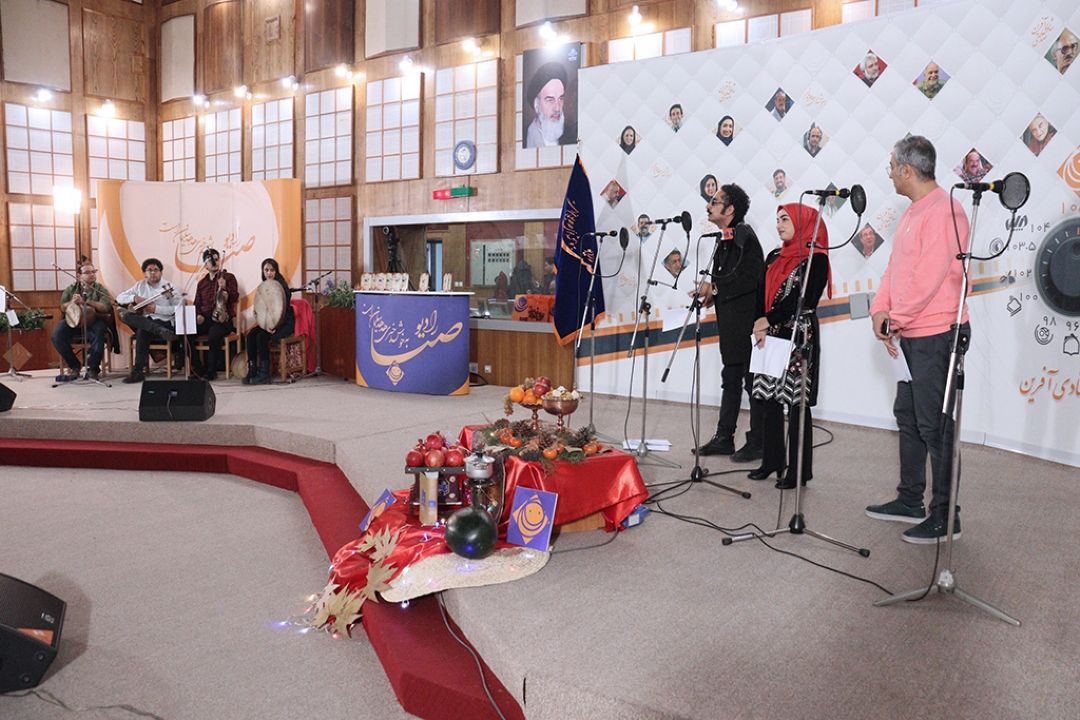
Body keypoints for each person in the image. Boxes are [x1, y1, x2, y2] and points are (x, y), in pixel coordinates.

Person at [865, 135, 971, 544]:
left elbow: (929, 277)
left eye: (891, 167)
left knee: (936, 425)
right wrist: (880, 310)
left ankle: (946, 515)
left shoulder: (946, 210)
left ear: (907, 169)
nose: (890, 174)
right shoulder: (912, 212)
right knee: (908, 418)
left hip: (937, 335)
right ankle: (910, 499)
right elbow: (895, 268)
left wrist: (897, 319)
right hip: (910, 332)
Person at [750, 204, 831, 488]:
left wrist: (767, 320)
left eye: (785, 219)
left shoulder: (816, 259)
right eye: (777, 219)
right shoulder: (774, 256)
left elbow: (804, 299)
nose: (779, 224)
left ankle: (799, 470)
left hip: (799, 335)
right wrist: (759, 324)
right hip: (769, 333)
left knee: (797, 403)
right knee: (768, 399)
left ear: (802, 222)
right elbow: (760, 293)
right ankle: (772, 461)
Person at [695, 184, 764, 461]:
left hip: (746, 325)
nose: (708, 205)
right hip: (730, 323)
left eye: (715, 201)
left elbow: (751, 278)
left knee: (751, 383)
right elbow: (727, 278)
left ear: (730, 209)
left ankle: (758, 442)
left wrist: (716, 288)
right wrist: (713, 294)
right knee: (731, 380)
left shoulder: (745, 236)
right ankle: (724, 438)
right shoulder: (724, 238)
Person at [118, 257, 183, 383]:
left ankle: (138, 372)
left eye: (156, 270)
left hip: (164, 322)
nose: (153, 273)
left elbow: (176, 309)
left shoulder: (169, 287)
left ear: (161, 272)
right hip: (150, 324)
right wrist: (134, 298)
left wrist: (156, 309)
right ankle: (158, 330)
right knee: (126, 316)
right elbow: (120, 297)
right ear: (145, 273)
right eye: (149, 270)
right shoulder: (139, 285)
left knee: (143, 330)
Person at [52, 261, 113, 382]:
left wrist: (86, 301)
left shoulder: (100, 289)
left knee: (99, 332)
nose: (92, 274)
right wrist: (72, 303)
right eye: (87, 272)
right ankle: (74, 365)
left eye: (93, 272)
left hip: (94, 321)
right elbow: (62, 307)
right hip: (74, 321)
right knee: (57, 335)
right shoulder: (71, 289)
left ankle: (93, 368)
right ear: (79, 276)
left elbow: (106, 307)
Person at [245, 258, 295, 385]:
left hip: (284, 323)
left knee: (261, 337)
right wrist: (257, 315)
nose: (269, 273)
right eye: (266, 270)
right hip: (268, 323)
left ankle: (264, 374)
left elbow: (281, 312)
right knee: (251, 335)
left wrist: (274, 326)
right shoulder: (264, 286)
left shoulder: (281, 287)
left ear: (276, 271)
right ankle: (252, 369)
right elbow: (262, 308)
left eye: (272, 270)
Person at [191, 248, 238, 381]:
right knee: (186, 333)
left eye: (216, 259)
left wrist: (225, 287)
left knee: (213, 334)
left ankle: (212, 371)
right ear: (205, 265)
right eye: (211, 261)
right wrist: (198, 315)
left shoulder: (228, 277)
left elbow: (235, 297)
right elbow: (196, 303)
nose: (214, 262)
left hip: (223, 319)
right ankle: (198, 368)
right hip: (205, 319)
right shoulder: (202, 283)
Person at [525, 62, 574, 148]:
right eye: (550, 100)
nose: (557, 108)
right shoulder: (525, 136)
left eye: (560, 99)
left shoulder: (572, 136)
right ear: (537, 105)